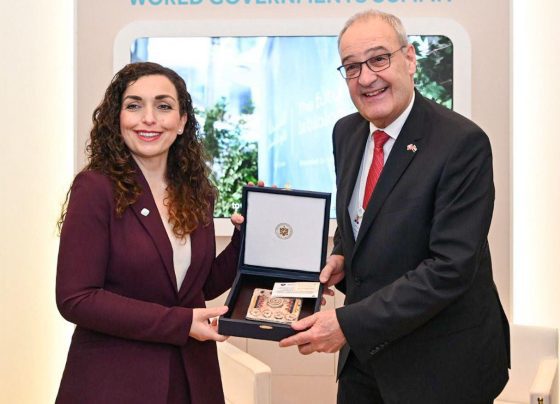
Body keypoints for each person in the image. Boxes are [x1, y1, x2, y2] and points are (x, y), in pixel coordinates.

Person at [279, 10, 510, 404]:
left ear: (410, 58)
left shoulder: (461, 143)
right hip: (365, 362)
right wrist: (342, 255)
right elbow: (363, 217)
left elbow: (449, 268)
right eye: (352, 67)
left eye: (378, 59)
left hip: (441, 367)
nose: (366, 77)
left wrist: (348, 324)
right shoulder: (346, 132)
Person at [55, 62, 243, 404]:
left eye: (163, 106)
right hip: (116, 383)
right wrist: (179, 323)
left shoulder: (197, 193)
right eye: (134, 105)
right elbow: (76, 298)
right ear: (117, 118)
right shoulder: (96, 188)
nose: (149, 118)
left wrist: (246, 240)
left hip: (192, 379)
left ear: (182, 121)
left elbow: (197, 287)